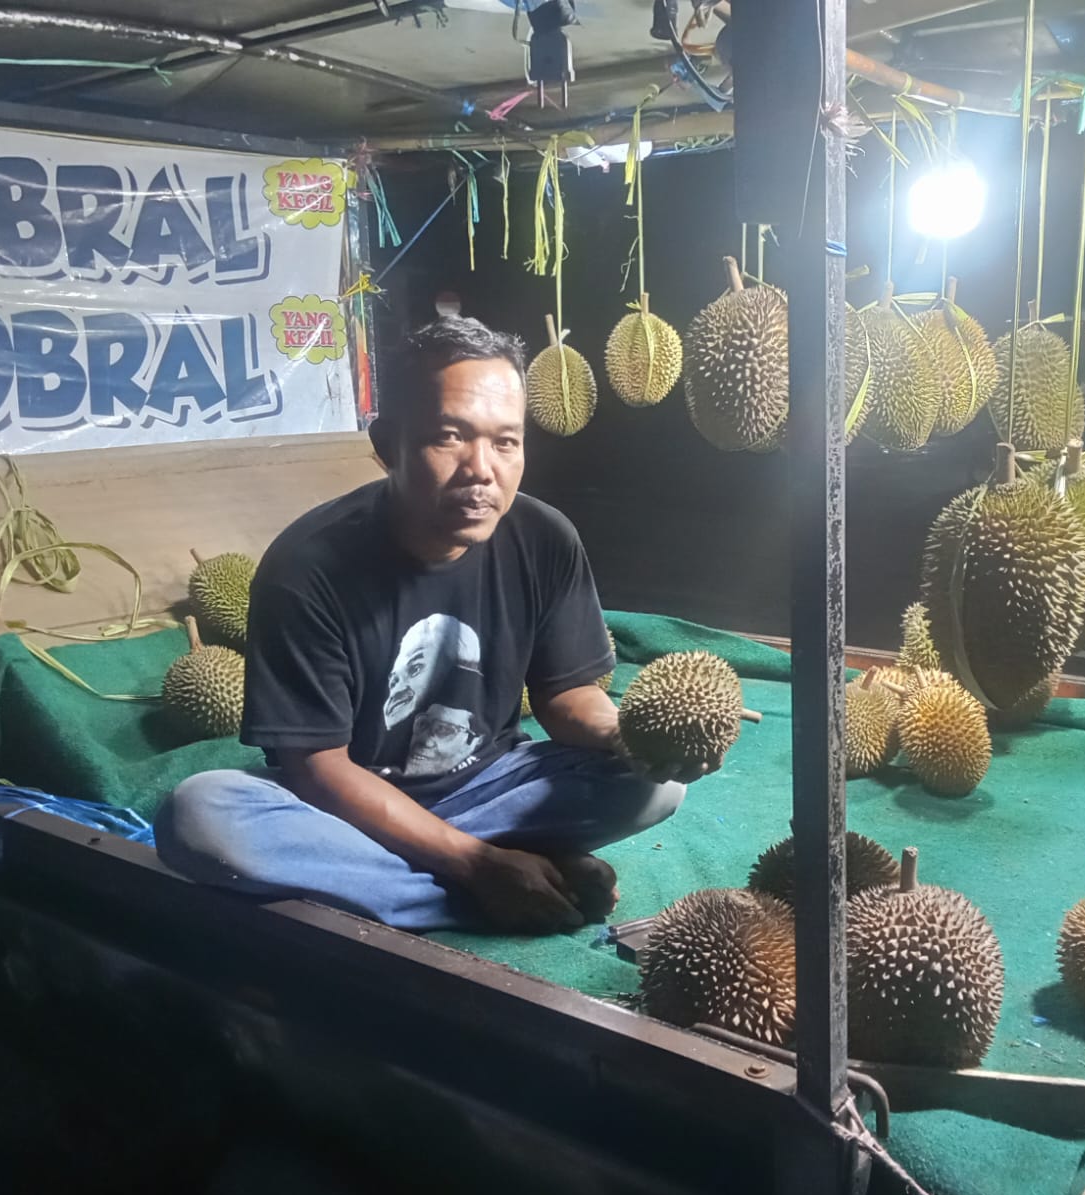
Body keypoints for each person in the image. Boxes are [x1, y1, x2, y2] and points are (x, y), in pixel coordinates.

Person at [155, 317, 714, 935]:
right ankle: (482, 891)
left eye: (506, 442)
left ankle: (425, 880)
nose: (482, 468)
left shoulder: (545, 538)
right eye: (450, 437)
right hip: (345, 808)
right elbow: (317, 768)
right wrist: (474, 865)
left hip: (491, 787)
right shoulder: (305, 568)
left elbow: (564, 698)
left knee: (654, 787)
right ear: (387, 443)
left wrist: (628, 735)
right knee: (200, 816)